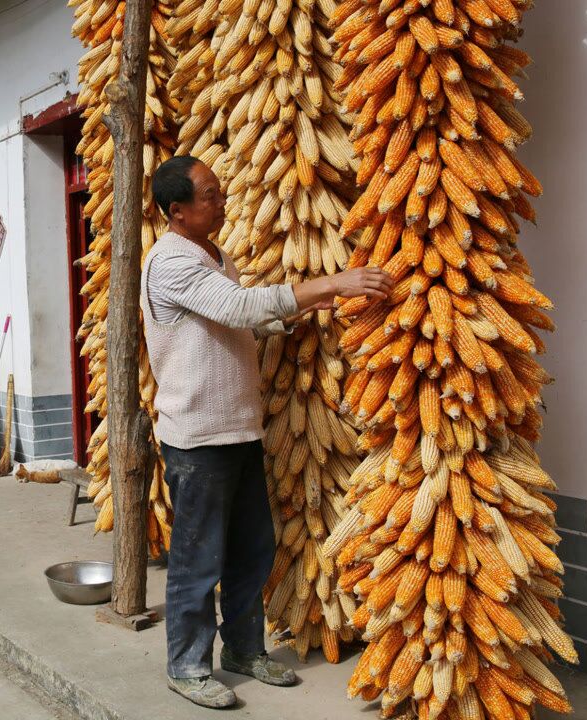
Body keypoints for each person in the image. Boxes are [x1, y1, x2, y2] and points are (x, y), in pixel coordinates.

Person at [144, 156, 392, 709]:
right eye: (209, 194)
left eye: (220, 189)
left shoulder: (214, 255)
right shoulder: (168, 263)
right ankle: (186, 666)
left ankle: (241, 649)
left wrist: (294, 314)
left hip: (238, 428)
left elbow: (234, 322)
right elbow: (233, 307)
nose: (222, 199)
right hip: (197, 438)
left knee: (250, 550)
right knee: (197, 559)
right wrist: (324, 281)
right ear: (177, 212)